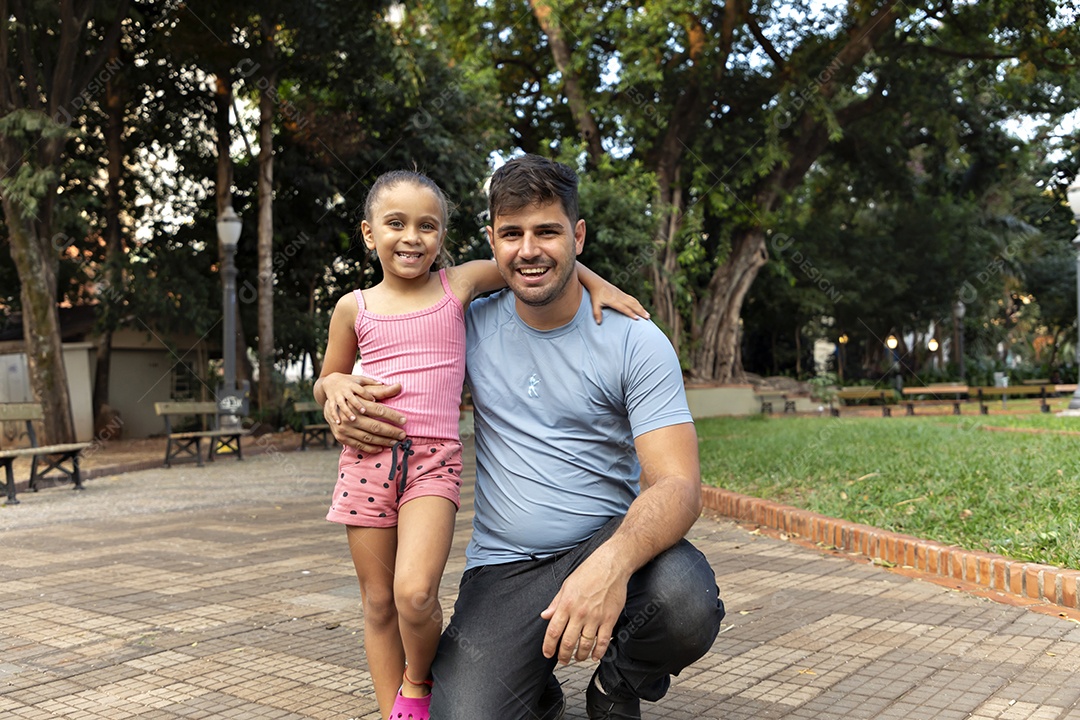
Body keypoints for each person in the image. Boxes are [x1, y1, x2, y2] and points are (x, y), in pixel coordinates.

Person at [329, 156, 724, 720]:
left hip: (605, 542)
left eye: (548, 232)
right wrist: (336, 397)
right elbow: (394, 357)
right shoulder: (463, 322)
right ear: (491, 241)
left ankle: (617, 687)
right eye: (512, 234)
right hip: (505, 568)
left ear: (578, 235)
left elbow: (679, 485)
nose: (529, 249)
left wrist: (611, 565)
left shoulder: (635, 340)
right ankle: (533, 691)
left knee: (685, 599)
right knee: (465, 714)